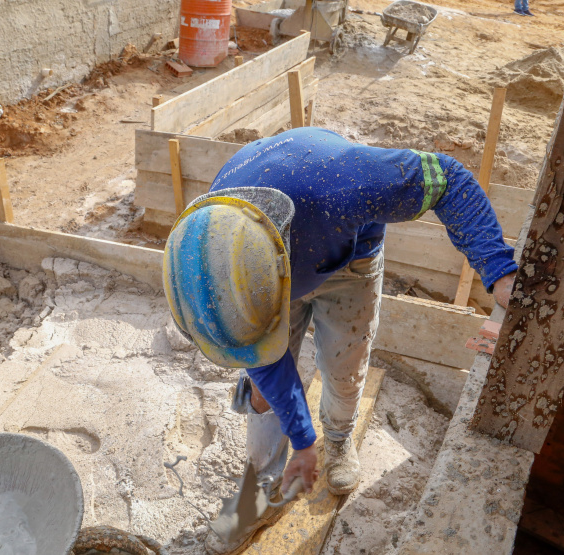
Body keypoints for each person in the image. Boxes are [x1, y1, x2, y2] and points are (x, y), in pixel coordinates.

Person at [162, 127, 518, 553]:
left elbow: (448, 178)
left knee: (344, 367)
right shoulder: (207, 249)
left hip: (349, 256)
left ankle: (339, 437)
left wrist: (497, 269)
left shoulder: (346, 183)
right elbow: (257, 350)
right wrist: (299, 438)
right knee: (261, 392)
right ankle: (262, 491)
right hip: (273, 268)